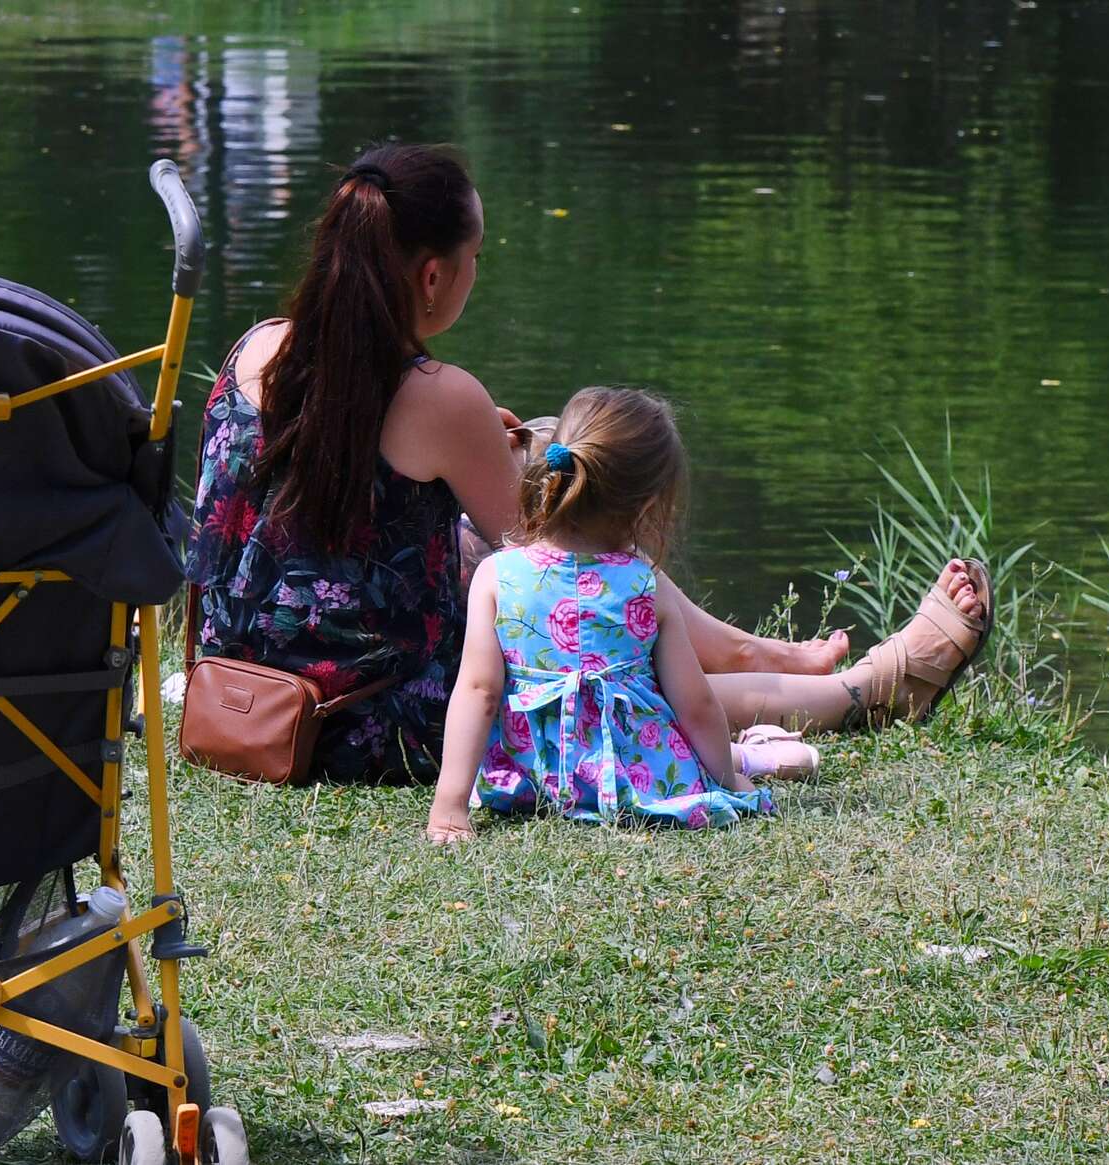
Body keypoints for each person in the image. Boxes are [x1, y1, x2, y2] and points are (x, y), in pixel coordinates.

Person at [185, 143, 990, 784]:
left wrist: (463, 459)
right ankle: (866, 688)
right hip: (354, 725)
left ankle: (783, 662)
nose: (476, 271)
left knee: (478, 551)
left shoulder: (258, 346)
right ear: (433, 276)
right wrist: (469, 443)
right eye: (476, 256)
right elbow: (573, 553)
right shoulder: (439, 398)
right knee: (609, 661)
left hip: (235, 693)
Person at [426, 387, 824, 841]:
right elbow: (695, 706)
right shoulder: (643, 584)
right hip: (636, 778)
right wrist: (726, 782)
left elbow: (479, 691)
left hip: (529, 781)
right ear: (649, 505)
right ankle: (754, 757)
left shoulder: (497, 575)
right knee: (697, 753)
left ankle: (759, 753)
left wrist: (450, 807)